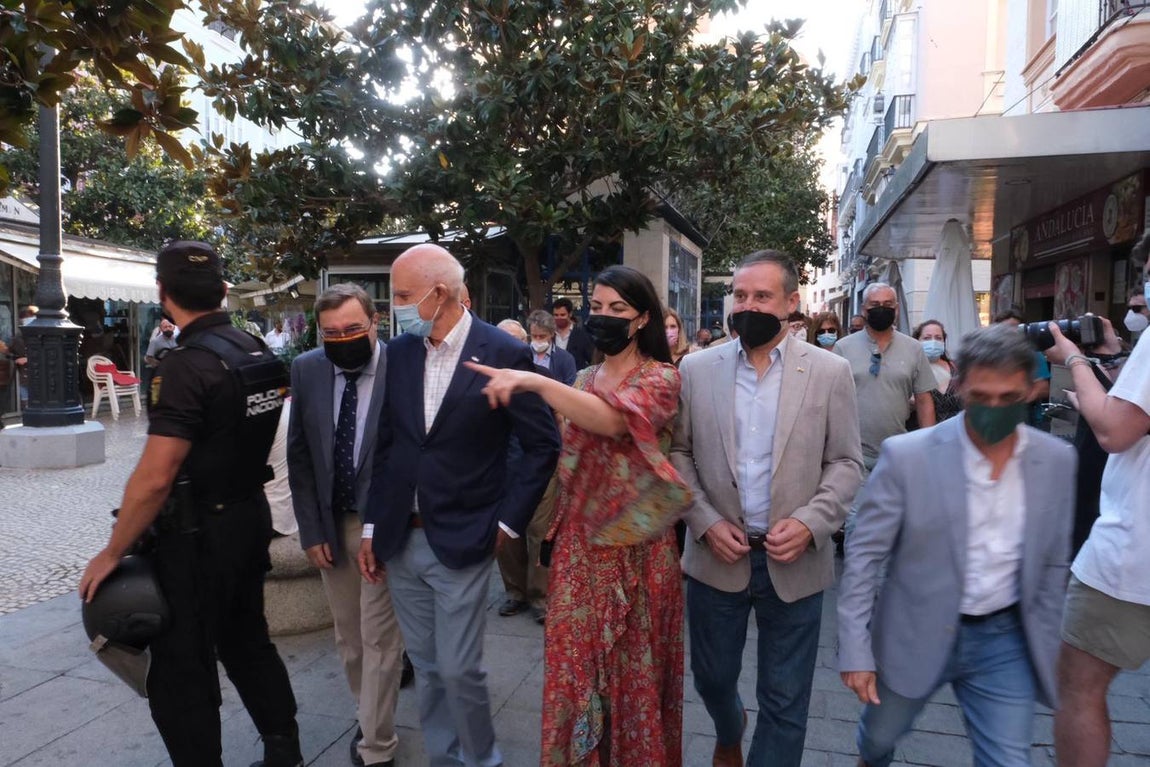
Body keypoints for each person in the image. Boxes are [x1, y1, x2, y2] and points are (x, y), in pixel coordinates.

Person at [78, 240, 303, 767]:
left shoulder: (185, 365)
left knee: (181, 669)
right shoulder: (254, 350)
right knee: (248, 640)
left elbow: (156, 477)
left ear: (163, 292)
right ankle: (283, 749)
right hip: (249, 518)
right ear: (223, 289)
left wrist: (113, 551)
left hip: (197, 536)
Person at [467, 264, 690, 767]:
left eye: (618, 309)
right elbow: (569, 454)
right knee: (573, 674)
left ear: (641, 320)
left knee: (634, 679)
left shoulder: (661, 378)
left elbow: (612, 420)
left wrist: (534, 380)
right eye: (598, 307)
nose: (604, 317)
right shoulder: (584, 375)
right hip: (579, 551)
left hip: (638, 555)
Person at [838, 324, 1077, 767]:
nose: (993, 409)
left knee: (1008, 760)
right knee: (877, 740)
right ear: (960, 385)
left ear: (1028, 389)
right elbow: (865, 556)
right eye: (981, 396)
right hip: (914, 627)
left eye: (1007, 398)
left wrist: (1052, 642)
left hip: (1005, 639)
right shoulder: (907, 456)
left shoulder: (1057, 462)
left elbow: (1054, 562)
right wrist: (855, 646)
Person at [358, 244, 560, 767]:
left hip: (467, 536)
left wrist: (509, 522)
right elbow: (386, 443)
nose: (393, 306)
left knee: (459, 668)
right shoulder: (400, 352)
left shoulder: (503, 352)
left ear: (439, 294)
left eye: (402, 295)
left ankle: (482, 759)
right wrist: (371, 527)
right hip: (401, 538)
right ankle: (446, 759)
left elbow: (542, 446)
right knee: (425, 665)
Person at [672, 250, 863, 767]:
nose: (747, 305)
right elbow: (679, 454)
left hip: (794, 564)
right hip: (717, 559)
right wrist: (705, 522)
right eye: (739, 295)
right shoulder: (696, 368)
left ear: (791, 303)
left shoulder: (829, 371)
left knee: (785, 699)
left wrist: (810, 522)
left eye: (761, 296)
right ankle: (730, 729)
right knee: (711, 681)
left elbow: (846, 461)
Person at [287, 284, 405, 767]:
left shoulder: (403, 367)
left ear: (375, 322)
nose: (342, 339)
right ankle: (368, 713)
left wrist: (385, 526)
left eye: (353, 329)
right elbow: (299, 457)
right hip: (332, 525)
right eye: (331, 332)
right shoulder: (307, 368)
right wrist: (311, 531)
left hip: (383, 523)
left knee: (379, 637)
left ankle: (377, 745)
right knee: (350, 638)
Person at [1046, 248, 1150, 767]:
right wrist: (1114, 359)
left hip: (1134, 557)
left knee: (1080, 685)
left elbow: (1113, 428)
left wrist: (1076, 360)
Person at [834, 283, 936, 536]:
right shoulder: (843, 348)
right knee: (858, 524)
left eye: (888, 306)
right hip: (855, 453)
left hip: (898, 454)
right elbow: (831, 401)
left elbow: (924, 399)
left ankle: (886, 576)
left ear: (897, 309)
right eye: (875, 306)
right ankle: (859, 575)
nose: (882, 310)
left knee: (895, 526)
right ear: (864, 309)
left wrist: (930, 445)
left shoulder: (913, 349)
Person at [993, 308, 1051, 425]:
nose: (1011, 332)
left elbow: (1043, 389)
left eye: (1015, 328)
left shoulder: (1032, 354)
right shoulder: (990, 354)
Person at [911, 319, 963, 424]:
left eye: (938, 338)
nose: (933, 342)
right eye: (927, 338)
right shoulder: (910, 370)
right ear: (917, 341)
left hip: (955, 432)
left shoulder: (957, 368)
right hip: (922, 432)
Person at [527, 310, 577, 386]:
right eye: (534, 336)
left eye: (542, 336)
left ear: (552, 334)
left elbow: (571, 387)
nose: (538, 339)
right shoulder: (522, 354)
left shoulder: (566, 359)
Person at [552, 297, 595, 370]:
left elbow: (592, 360)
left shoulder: (582, 336)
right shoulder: (549, 335)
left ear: (570, 314)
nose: (559, 318)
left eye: (562, 315)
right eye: (556, 315)